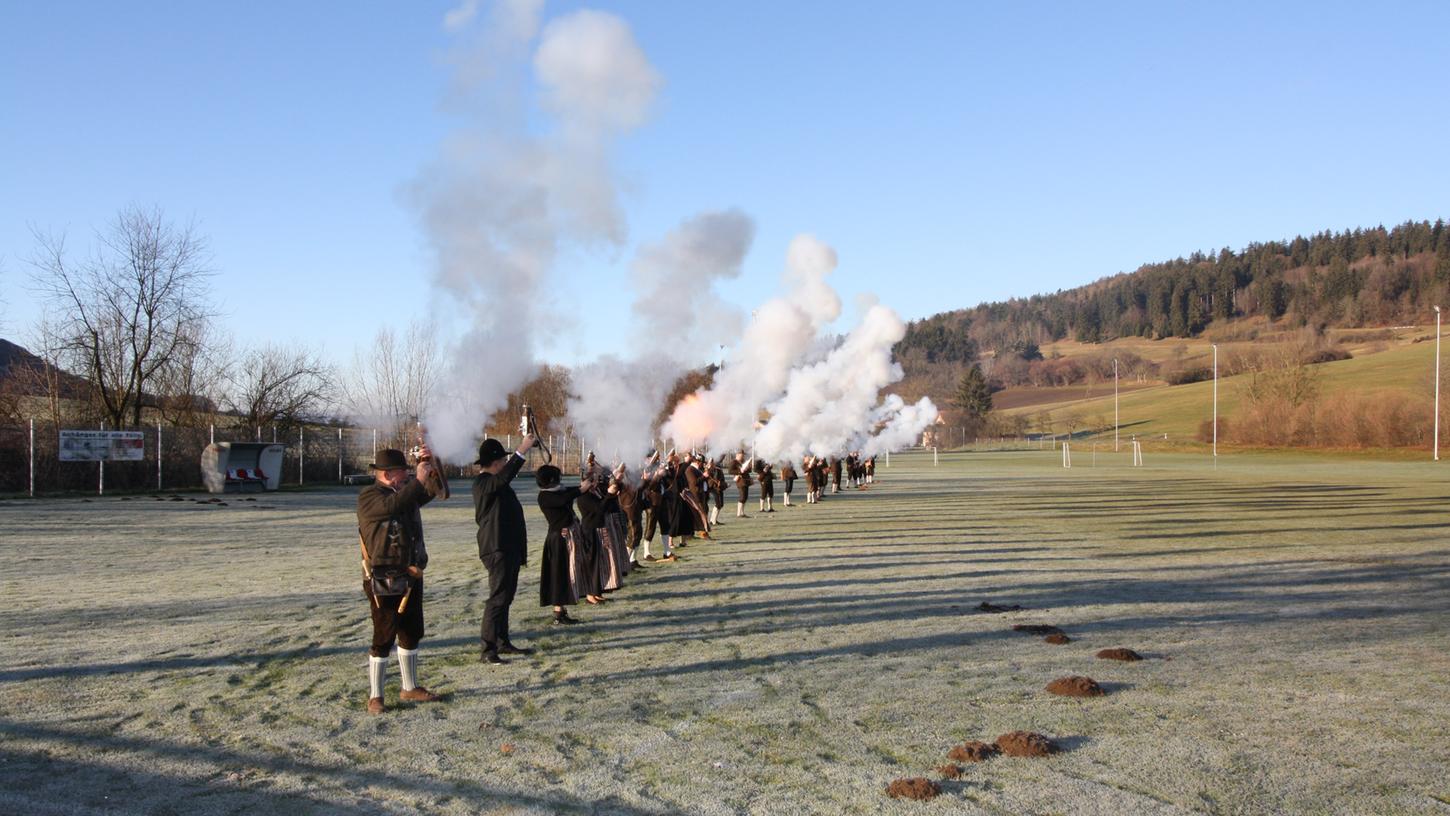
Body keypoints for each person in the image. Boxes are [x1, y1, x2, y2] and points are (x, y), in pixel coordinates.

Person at [356, 447, 442, 715]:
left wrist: (430, 463)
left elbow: (434, 491)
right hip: (382, 576)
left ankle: (409, 687)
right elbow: (393, 505)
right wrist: (417, 479)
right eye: (402, 471)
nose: (405, 474)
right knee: (383, 636)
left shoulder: (404, 493)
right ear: (386, 474)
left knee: (411, 632)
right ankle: (376, 696)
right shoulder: (370, 497)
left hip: (410, 574)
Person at [473, 434, 536, 664]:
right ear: (497, 462)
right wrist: (522, 450)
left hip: (508, 547)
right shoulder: (483, 483)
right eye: (503, 461)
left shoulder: (495, 483)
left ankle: (502, 641)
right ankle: (488, 649)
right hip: (496, 547)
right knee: (497, 598)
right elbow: (504, 478)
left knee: (506, 597)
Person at [536, 464, 593, 625]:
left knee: (564, 574)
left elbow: (568, 491)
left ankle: (560, 610)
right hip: (558, 540)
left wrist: (586, 483)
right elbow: (564, 498)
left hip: (564, 537)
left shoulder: (555, 491)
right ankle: (558, 612)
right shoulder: (545, 496)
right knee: (558, 575)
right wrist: (581, 489)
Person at [732, 452, 753, 518]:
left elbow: (749, 471)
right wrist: (739, 471)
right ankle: (738, 513)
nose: (742, 457)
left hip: (746, 481)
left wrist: (748, 468)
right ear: (737, 455)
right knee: (742, 497)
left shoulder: (743, 461)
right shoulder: (734, 462)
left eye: (743, 455)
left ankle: (742, 512)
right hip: (740, 481)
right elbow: (730, 471)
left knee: (745, 497)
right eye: (741, 455)